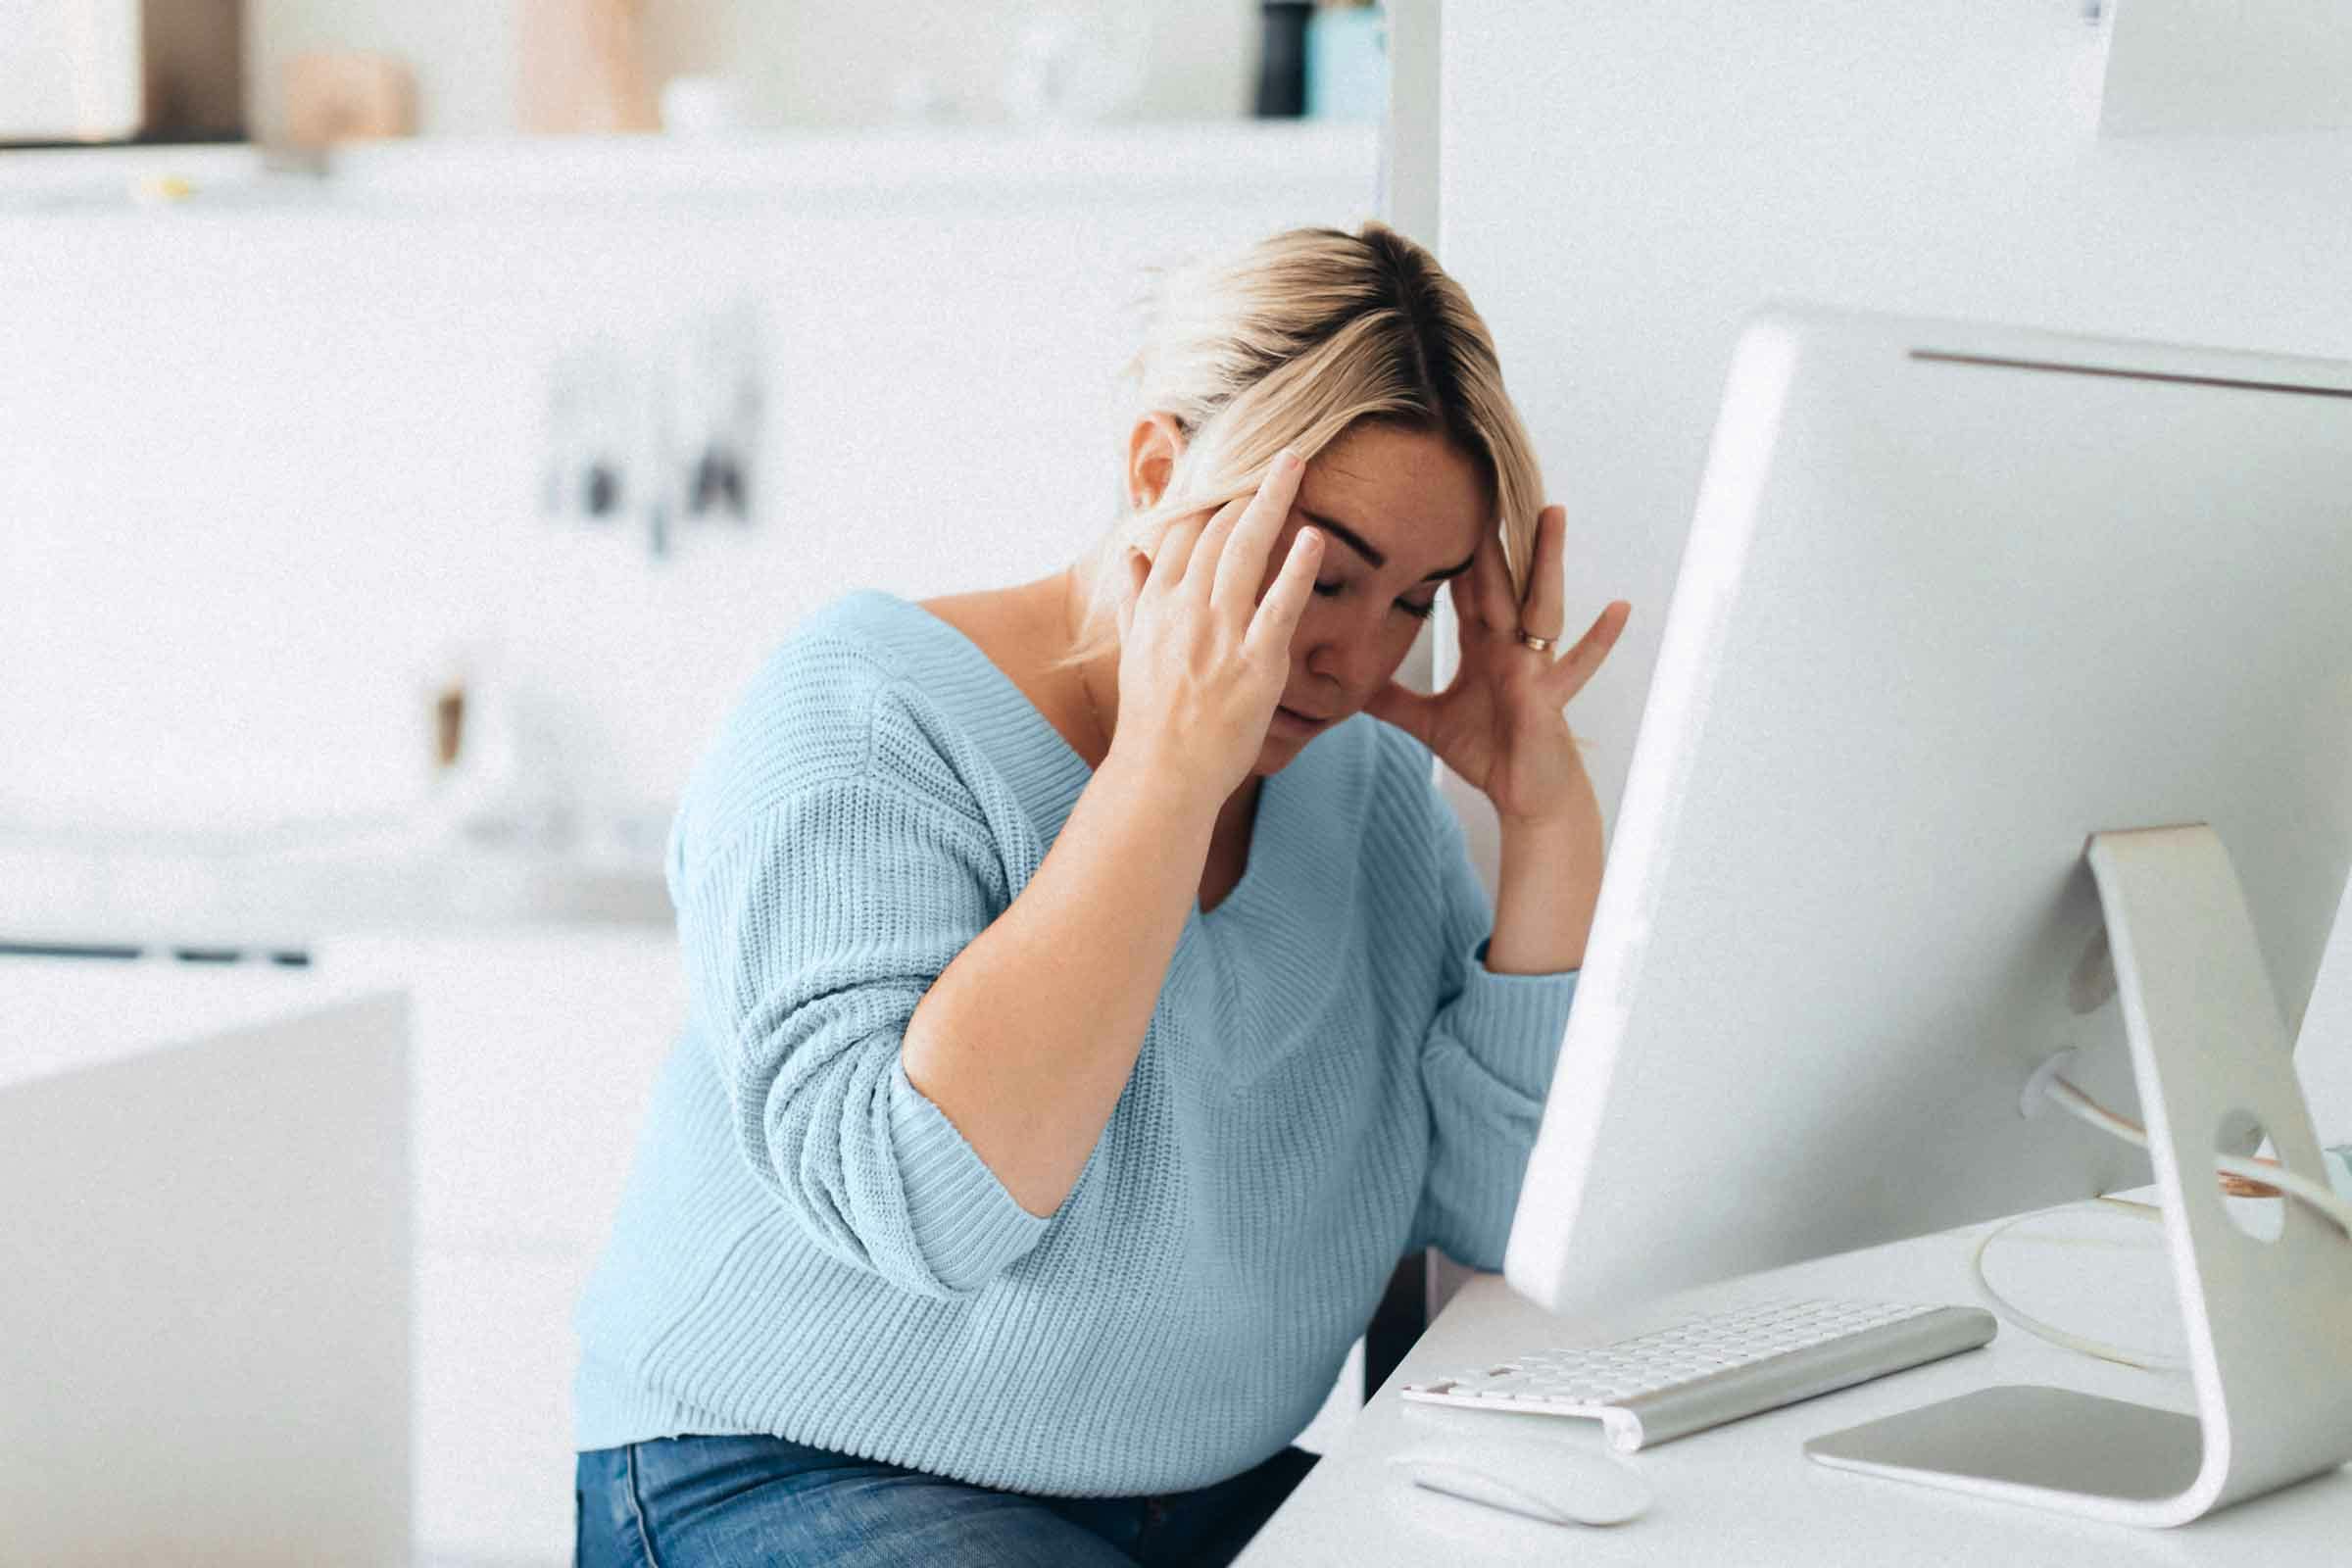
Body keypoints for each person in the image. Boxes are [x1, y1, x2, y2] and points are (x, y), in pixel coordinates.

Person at [571, 220, 1632, 1566]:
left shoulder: (1360, 792)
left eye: (1414, 604)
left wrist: (1543, 817)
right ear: (1157, 468)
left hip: (1192, 1501)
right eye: (1325, 573)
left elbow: (1502, 1222)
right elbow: (930, 1207)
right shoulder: (866, 712)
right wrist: (1169, 772)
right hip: (788, 1470)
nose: (1358, 660)